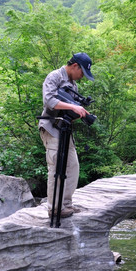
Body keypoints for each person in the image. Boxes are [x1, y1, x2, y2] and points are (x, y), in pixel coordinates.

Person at [38, 52, 94, 218]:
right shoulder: (54, 76)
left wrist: (79, 112)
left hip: (64, 129)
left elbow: (67, 108)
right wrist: (73, 108)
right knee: (56, 167)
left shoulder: (73, 86)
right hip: (51, 127)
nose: (82, 76)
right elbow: (49, 100)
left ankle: (66, 205)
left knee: (73, 166)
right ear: (75, 66)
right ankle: (54, 208)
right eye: (82, 72)